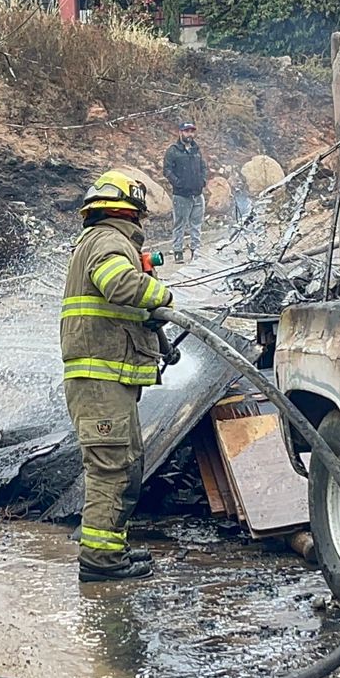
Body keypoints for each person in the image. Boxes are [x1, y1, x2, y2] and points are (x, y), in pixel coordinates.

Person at [60, 170, 174, 582]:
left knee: (125, 464)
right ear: (132, 210)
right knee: (110, 469)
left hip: (108, 383)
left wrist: (162, 342)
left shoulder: (102, 241)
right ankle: (101, 563)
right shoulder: (110, 241)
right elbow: (119, 285)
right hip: (100, 383)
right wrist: (163, 295)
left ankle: (113, 549)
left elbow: (126, 312)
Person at [163, 121, 207, 263]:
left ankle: (196, 251)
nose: (190, 134)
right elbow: (167, 170)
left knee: (196, 224)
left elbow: (203, 167)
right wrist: (178, 183)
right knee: (180, 224)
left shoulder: (196, 150)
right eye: (187, 131)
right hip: (181, 195)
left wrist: (203, 181)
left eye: (192, 131)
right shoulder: (173, 150)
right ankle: (178, 251)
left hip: (197, 194)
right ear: (180, 132)